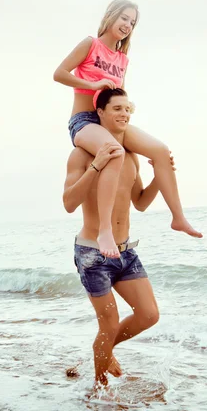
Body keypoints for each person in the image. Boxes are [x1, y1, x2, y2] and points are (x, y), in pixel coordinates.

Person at [54, 0, 202, 260]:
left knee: (160, 150)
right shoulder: (91, 44)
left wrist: (123, 108)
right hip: (84, 120)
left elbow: (117, 94)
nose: (127, 25)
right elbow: (59, 73)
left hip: (109, 119)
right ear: (111, 16)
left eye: (132, 22)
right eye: (124, 18)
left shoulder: (122, 59)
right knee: (114, 151)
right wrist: (94, 84)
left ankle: (178, 218)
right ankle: (105, 231)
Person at [63, 88, 164, 388]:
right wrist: (96, 165)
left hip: (125, 251)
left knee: (148, 315)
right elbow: (69, 203)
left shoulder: (131, 158)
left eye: (128, 109)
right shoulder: (81, 154)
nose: (124, 114)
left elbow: (141, 202)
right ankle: (99, 389)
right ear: (101, 113)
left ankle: (103, 349)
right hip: (93, 253)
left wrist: (160, 175)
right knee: (107, 323)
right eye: (117, 108)